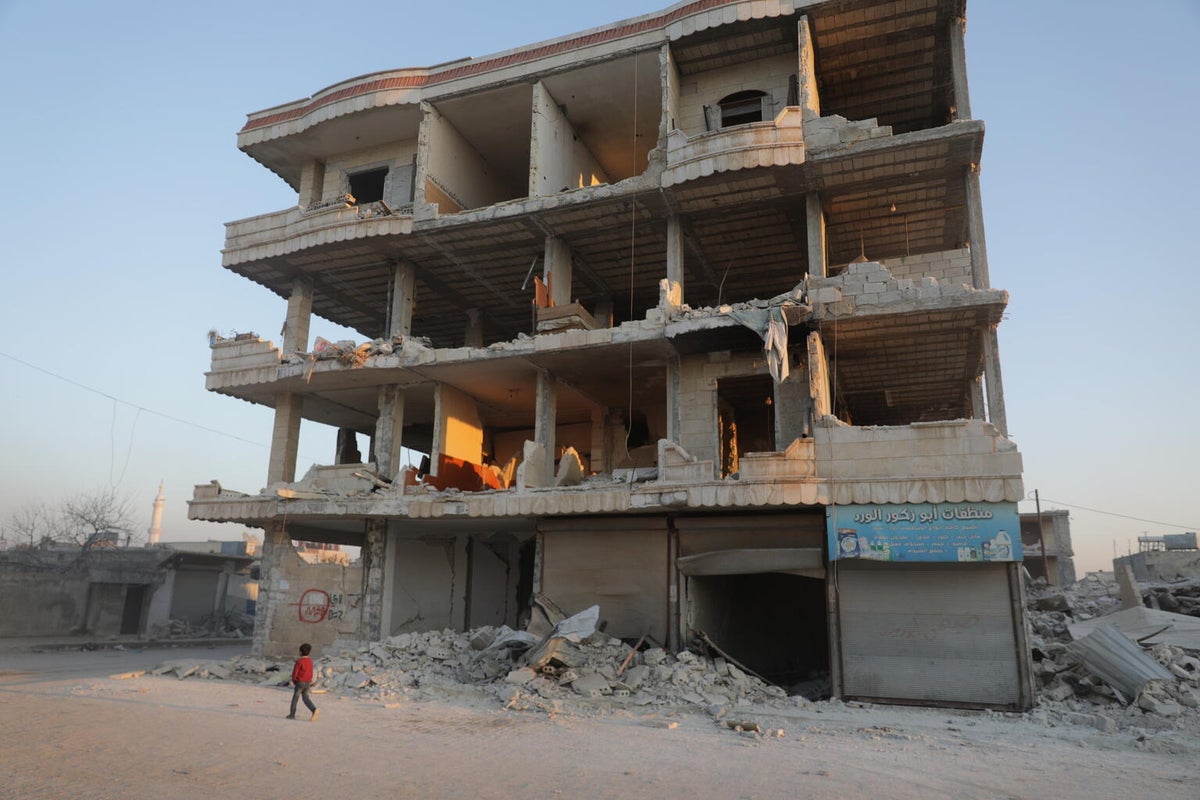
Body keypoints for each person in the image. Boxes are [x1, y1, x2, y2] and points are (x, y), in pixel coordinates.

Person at [287, 642, 319, 721]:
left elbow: (295, 673)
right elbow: (311, 673)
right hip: (307, 683)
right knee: (305, 698)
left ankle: (292, 714)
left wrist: (294, 681)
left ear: (300, 652)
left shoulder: (299, 661)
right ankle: (314, 709)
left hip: (299, 682)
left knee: (295, 698)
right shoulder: (310, 661)